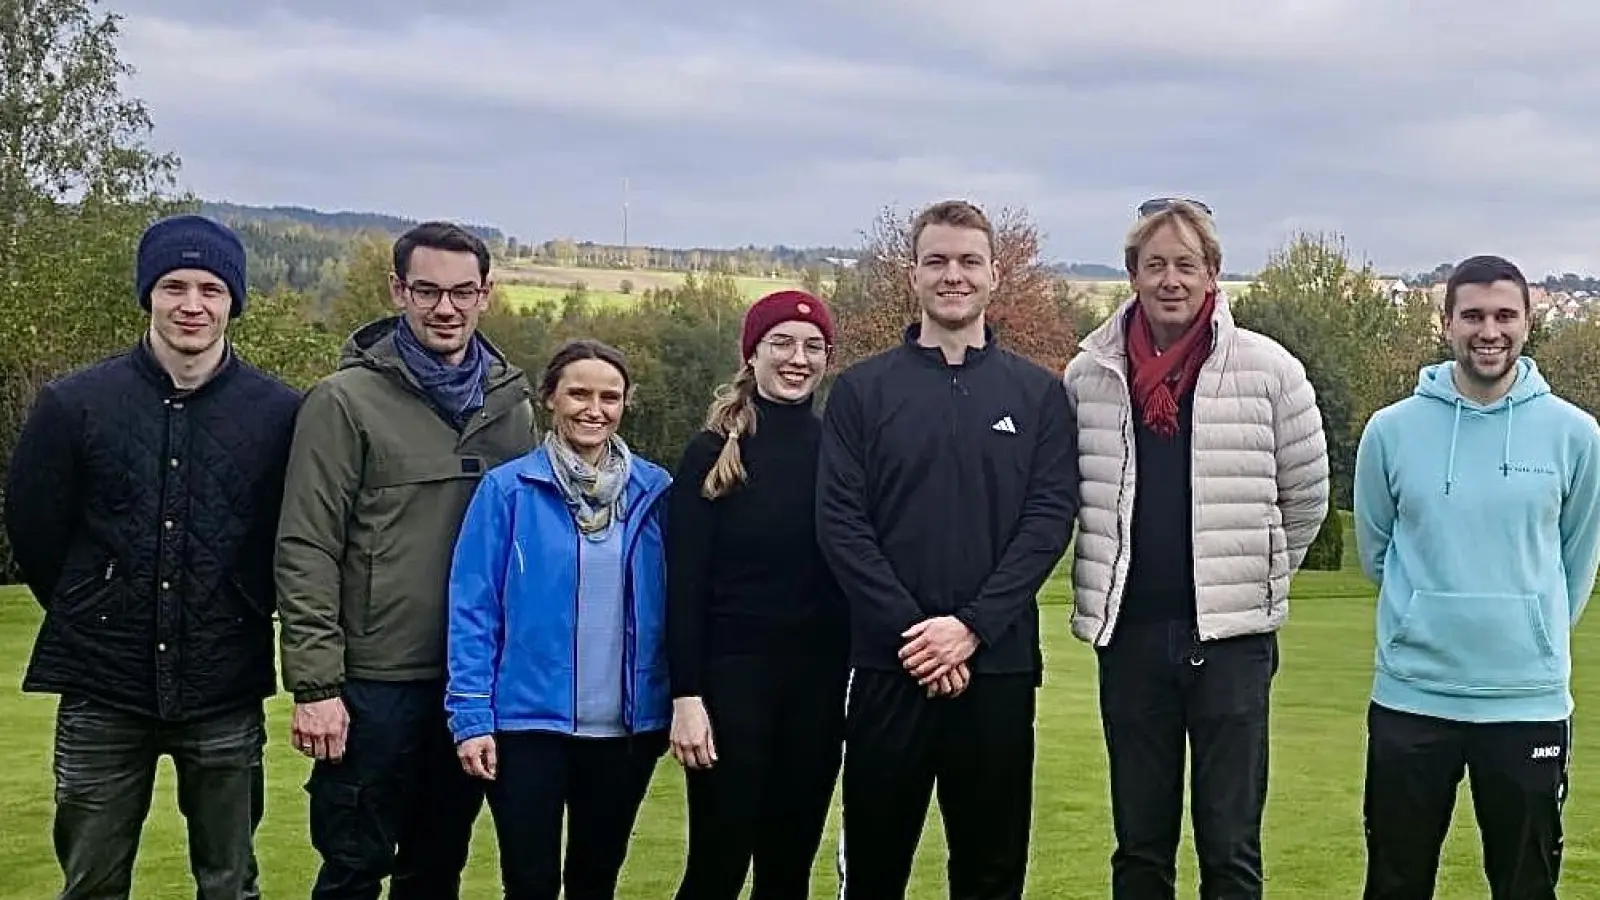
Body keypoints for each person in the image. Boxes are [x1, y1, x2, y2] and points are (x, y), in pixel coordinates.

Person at [4, 214, 298, 900]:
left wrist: (244, 603)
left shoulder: (280, 412)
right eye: (174, 286)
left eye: (210, 289)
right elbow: (35, 527)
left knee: (229, 884)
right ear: (149, 294)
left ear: (233, 301)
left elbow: (289, 534)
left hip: (224, 683)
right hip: (101, 683)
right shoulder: (73, 404)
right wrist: (93, 601)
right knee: (91, 884)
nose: (192, 304)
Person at [1063, 198, 1329, 899]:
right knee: (1140, 847)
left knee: (1230, 847)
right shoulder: (1088, 376)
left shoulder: (1270, 369)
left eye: (1186, 264)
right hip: (1130, 640)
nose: (1170, 280)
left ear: (1213, 272)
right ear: (1132, 274)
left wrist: (1252, 578)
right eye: (1155, 265)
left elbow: (1305, 499)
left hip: (1233, 646)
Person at [816, 198, 1080, 899]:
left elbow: (1047, 522)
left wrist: (970, 629)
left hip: (997, 669)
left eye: (968, 261)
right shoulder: (861, 392)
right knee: (874, 873)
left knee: (990, 874)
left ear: (995, 274)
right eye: (936, 261)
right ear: (913, 274)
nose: (952, 275)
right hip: (888, 666)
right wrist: (918, 636)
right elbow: (842, 526)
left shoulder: (1039, 396)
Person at [274, 220, 538, 899]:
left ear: (485, 295)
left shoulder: (512, 407)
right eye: (427, 291)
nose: (445, 308)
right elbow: (306, 545)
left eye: (462, 292)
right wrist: (317, 686)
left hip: (471, 683)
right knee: (353, 866)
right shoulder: (343, 402)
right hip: (374, 683)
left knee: (437, 868)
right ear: (398, 291)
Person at [1353, 254, 1600, 900]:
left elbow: (1576, 560)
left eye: (1504, 315)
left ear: (1528, 323)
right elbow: (1377, 551)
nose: (1489, 331)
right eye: (1473, 316)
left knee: (1526, 886)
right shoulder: (1391, 431)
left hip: (1528, 702)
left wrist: (1531, 631)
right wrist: (1424, 615)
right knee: (1395, 883)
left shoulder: (1576, 436)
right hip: (1412, 698)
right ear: (1447, 324)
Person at [446, 338, 672, 900]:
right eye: (579, 394)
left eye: (609, 397)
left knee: (596, 881)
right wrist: (471, 716)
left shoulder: (656, 492)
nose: (594, 409)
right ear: (550, 398)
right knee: (530, 882)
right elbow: (473, 609)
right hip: (527, 728)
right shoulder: (507, 490)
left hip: (624, 732)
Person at [666, 290, 851, 899]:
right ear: (752, 353)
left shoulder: (840, 452)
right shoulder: (710, 453)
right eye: (782, 343)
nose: (798, 358)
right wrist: (686, 697)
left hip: (817, 688)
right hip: (731, 684)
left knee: (788, 869)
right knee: (717, 866)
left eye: (813, 347)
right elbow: (684, 585)